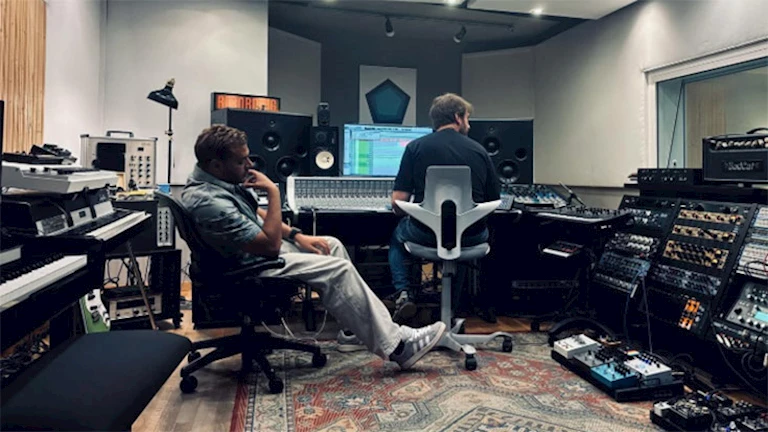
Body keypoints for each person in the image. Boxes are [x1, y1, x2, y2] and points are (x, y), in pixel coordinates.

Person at [180, 124, 446, 370]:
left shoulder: (220, 182)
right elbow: (270, 246)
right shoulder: (208, 201)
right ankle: (398, 347)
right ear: (216, 164)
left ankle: (353, 332)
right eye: (241, 161)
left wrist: (298, 236)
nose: (250, 165)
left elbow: (255, 214)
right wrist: (274, 192)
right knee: (338, 269)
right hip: (248, 267)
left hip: (255, 253)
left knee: (330, 245)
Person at [388, 93, 501, 323]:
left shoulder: (415, 147)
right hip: (470, 236)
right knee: (460, 242)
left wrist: (418, 212)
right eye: (467, 118)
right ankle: (451, 311)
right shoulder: (480, 151)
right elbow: (493, 201)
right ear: (458, 117)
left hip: (425, 234)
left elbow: (398, 203)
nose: (469, 124)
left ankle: (404, 293)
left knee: (398, 235)